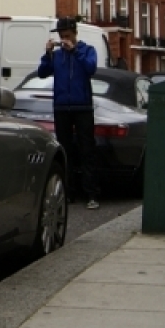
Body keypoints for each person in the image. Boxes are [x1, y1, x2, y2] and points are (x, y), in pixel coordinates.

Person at [37, 16, 100, 209]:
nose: (64, 39)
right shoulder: (57, 56)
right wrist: (47, 54)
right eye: (61, 36)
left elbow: (91, 68)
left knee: (86, 150)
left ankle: (91, 194)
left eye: (67, 35)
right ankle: (68, 192)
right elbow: (42, 72)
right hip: (62, 107)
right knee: (65, 151)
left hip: (82, 107)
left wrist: (75, 52)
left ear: (74, 34)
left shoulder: (87, 50)